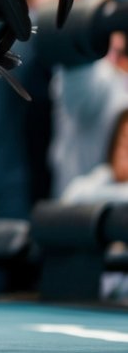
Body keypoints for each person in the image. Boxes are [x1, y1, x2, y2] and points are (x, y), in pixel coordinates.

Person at [59, 107, 128, 301]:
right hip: (89, 298)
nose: (125, 150)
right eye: (123, 140)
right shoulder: (101, 178)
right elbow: (71, 198)